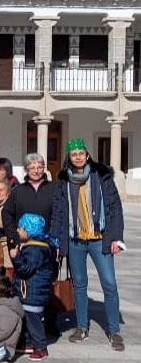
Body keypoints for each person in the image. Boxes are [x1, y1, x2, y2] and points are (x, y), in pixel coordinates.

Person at [52, 138, 125, 351]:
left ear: (87, 155)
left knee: (109, 284)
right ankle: (82, 326)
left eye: (81, 153)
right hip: (75, 240)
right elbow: (58, 212)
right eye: (73, 154)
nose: (77, 157)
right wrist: (57, 240)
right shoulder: (64, 180)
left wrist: (116, 238)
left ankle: (114, 330)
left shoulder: (101, 176)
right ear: (70, 157)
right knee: (80, 285)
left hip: (99, 238)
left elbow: (115, 208)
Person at [10, 213, 57, 361]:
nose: (18, 231)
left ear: (28, 230)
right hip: (33, 291)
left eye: (20, 228)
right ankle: (29, 343)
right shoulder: (42, 246)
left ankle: (40, 347)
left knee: (33, 320)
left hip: (32, 292)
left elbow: (25, 268)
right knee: (29, 319)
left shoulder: (34, 249)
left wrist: (15, 256)